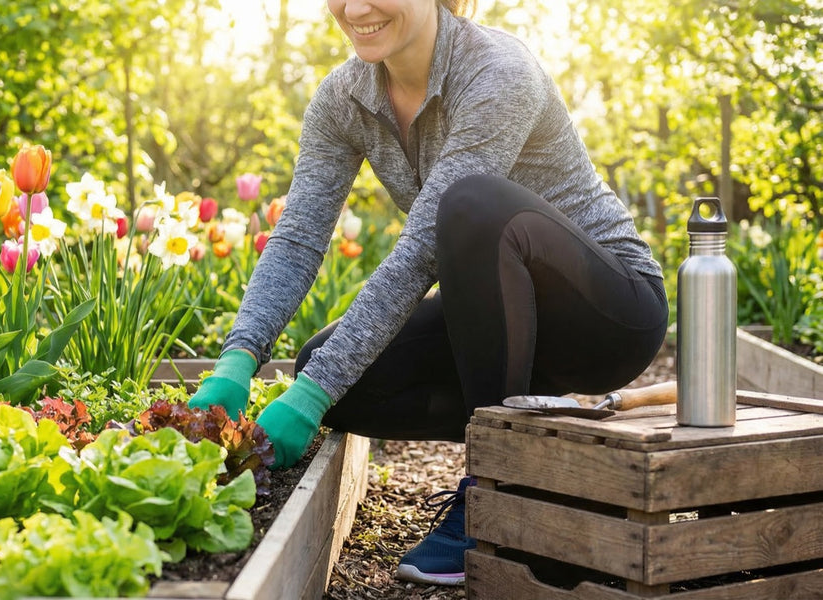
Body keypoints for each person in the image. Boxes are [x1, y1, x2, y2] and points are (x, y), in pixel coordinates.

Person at [190, 0, 668, 587]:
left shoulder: (496, 70)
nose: (355, 8)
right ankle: (544, 443)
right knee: (330, 371)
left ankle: (501, 490)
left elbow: (422, 250)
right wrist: (237, 360)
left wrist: (310, 396)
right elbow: (298, 237)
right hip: (502, 323)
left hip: (608, 313)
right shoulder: (343, 98)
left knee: (470, 203)